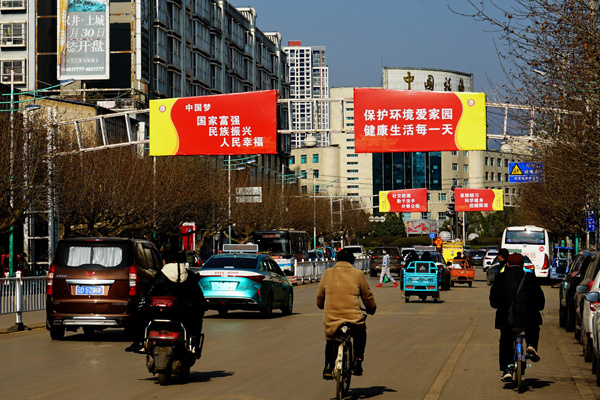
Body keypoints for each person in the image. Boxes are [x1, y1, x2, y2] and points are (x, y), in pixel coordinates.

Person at [125, 252, 207, 354]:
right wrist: (201, 307)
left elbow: (148, 292)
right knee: (197, 320)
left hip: (158, 312)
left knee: (138, 318)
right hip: (182, 313)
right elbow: (197, 296)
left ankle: (141, 343)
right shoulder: (188, 275)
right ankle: (193, 345)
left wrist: (141, 306)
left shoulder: (160, 275)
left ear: (164, 261)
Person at [316, 248, 377, 379]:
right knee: (361, 334)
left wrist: (321, 306)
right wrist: (371, 308)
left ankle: (328, 365)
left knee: (330, 340)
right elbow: (367, 296)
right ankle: (358, 361)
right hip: (353, 319)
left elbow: (320, 297)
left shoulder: (327, 273)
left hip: (332, 319)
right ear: (353, 261)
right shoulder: (358, 274)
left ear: (336, 259)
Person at [490, 253, 545, 381]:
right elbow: (540, 298)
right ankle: (531, 345)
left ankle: (507, 368)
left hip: (506, 319)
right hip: (528, 318)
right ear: (523, 265)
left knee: (505, 340)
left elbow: (493, 301)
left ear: (507, 264)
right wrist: (539, 307)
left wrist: (499, 305)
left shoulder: (500, 278)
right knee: (533, 328)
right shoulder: (530, 277)